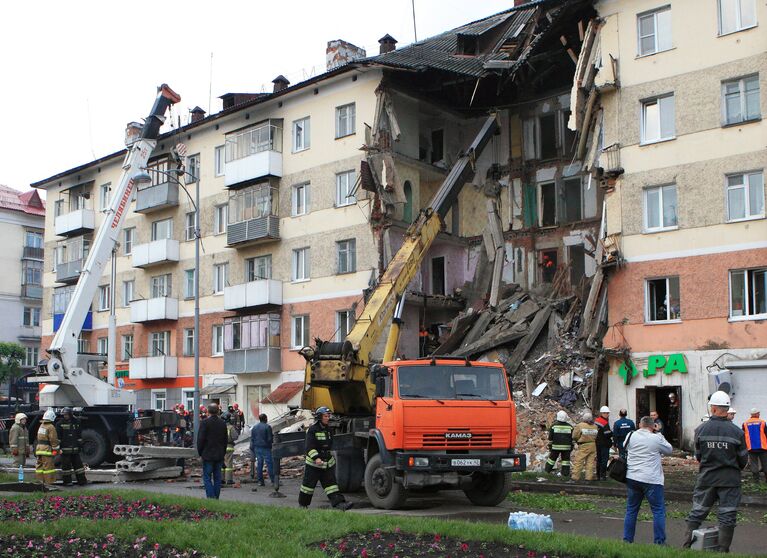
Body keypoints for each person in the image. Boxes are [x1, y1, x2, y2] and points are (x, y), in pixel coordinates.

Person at [683, 391, 748, 553]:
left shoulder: (701, 430)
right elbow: (743, 460)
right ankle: (722, 550)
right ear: (727, 409)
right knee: (727, 516)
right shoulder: (737, 432)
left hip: (707, 479)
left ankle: (686, 548)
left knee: (697, 513)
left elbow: (698, 456)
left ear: (713, 409)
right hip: (730, 481)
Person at [623, 416, 673, 545]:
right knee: (658, 511)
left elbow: (624, 446)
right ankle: (659, 542)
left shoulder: (631, 435)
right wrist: (658, 433)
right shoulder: (656, 438)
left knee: (631, 510)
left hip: (632, 477)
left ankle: (627, 540)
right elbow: (669, 450)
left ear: (640, 425)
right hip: (652, 479)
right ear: (653, 426)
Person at [298, 407, 352, 510]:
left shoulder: (329, 430)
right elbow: (309, 447)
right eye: (325, 416)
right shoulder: (312, 430)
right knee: (308, 487)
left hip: (326, 463)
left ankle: (340, 504)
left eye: (328, 416)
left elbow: (329, 446)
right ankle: (303, 505)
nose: (328, 418)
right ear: (319, 417)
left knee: (332, 485)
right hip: (314, 465)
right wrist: (316, 458)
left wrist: (329, 458)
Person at [197, 403, 228, 499]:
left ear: (208, 411)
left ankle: (211, 497)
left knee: (207, 477)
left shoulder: (205, 422)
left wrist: (200, 453)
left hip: (207, 454)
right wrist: (223, 453)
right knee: (217, 478)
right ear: (218, 411)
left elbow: (200, 439)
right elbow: (225, 440)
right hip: (219, 455)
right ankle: (216, 497)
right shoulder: (222, 423)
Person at [57, 407, 87, 486]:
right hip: (65, 450)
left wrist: (81, 445)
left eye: (66, 414)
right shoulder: (59, 423)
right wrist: (58, 448)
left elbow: (79, 435)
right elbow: (58, 438)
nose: (65, 416)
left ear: (70, 414)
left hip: (75, 449)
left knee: (79, 467)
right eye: (64, 415)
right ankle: (67, 482)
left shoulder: (77, 422)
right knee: (66, 467)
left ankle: (82, 481)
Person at [571, 412, 598, 482]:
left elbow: (574, 436)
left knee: (578, 461)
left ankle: (575, 477)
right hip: (593, 445)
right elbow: (596, 436)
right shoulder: (595, 426)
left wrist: (578, 440)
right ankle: (588, 478)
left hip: (584, 445)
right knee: (590, 462)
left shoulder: (580, 425)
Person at [742, 408, 767, 483]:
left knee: (754, 464)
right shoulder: (762, 422)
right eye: (758, 413)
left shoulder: (745, 423)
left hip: (751, 447)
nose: (759, 414)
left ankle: (756, 481)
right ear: (755, 414)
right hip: (763, 446)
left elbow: (743, 434)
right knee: (765, 463)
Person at [545, 410, 573, 477]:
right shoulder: (570, 427)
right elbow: (572, 437)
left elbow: (550, 437)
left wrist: (550, 446)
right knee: (566, 461)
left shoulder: (554, 426)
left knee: (551, 459)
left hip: (555, 447)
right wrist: (571, 446)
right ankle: (565, 473)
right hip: (566, 448)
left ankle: (547, 471)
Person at [35, 408, 59, 485]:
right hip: (46, 450)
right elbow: (53, 439)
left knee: (39, 466)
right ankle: (49, 483)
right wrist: (56, 450)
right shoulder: (51, 427)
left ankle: (40, 482)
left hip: (39, 449)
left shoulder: (41, 425)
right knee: (48, 467)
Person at [250, 413, 275, 487]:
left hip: (257, 447)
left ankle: (260, 481)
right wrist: (270, 445)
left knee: (259, 465)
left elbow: (252, 438)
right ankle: (273, 480)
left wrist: (253, 447)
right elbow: (270, 439)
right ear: (265, 419)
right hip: (266, 447)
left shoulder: (254, 427)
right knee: (269, 464)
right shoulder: (268, 427)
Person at [594, 406, 613, 480]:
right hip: (604, 443)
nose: (608, 415)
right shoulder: (604, 422)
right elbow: (607, 433)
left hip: (598, 442)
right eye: (607, 413)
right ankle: (603, 475)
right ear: (603, 413)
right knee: (604, 460)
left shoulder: (597, 420)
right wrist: (612, 433)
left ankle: (598, 475)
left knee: (599, 459)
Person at [222, 412, 236, 485]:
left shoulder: (220, 426)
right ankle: (229, 479)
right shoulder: (230, 427)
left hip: (221, 447)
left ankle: (221, 479)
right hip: (229, 446)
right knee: (228, 464)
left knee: (221, 463)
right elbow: (235, 437)